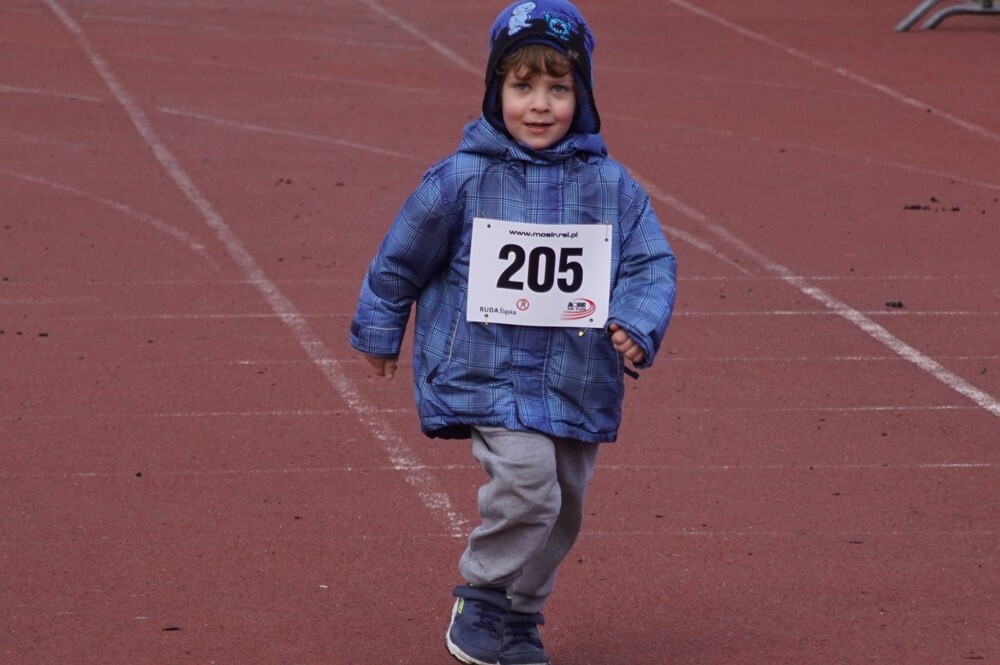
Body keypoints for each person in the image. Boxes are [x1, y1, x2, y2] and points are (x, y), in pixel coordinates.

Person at [349, 1, 677, 663]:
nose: (539, 104)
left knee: (564, 508)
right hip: (487, 369)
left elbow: (650, 261)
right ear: (496, 92)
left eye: (558, 88)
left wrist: (637, 320)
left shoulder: (613, 187)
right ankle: (482, 594)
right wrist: (379, 329)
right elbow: (401, 257)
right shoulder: (462, 179)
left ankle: (518, 618)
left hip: (579, 378)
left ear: (581, 97)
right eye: (522, 85)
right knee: (528, 482)